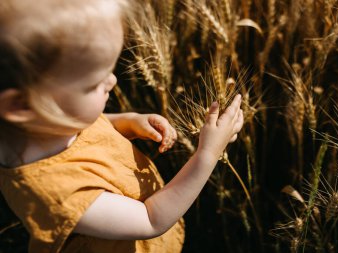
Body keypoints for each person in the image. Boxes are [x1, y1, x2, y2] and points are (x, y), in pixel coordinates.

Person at [0, 0, 244, 252]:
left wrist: (128, 121)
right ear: (22, 106)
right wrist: (208, 154)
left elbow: (94, 127)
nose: (113, 81)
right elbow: (151, 220)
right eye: (93, 84)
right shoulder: (55, 194)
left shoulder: (49, 123)